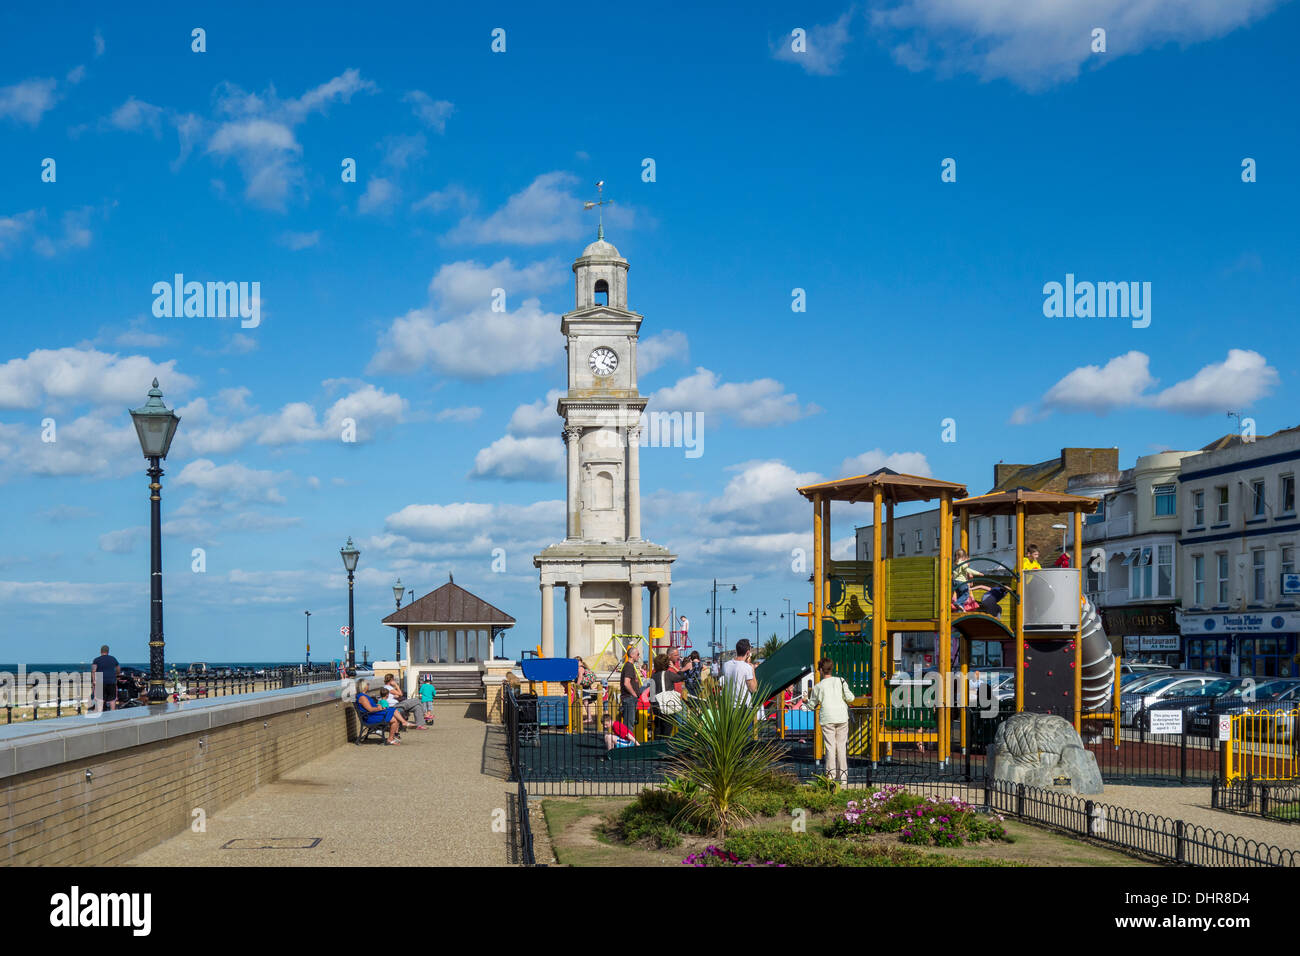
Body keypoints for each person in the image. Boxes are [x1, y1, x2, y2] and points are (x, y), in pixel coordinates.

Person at [804, 658, 855, 786]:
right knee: (841, 747)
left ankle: (830, 776)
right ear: (831, 668)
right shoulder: (841, 681)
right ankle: (843, 777)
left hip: (827, 718)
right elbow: (850, 698)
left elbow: (811, 706)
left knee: (830, 747)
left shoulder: (818, 686)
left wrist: (806, 701)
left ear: (821, 670)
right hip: (842, 716)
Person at [355, 679, 402, 744]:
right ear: (364, 686)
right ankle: (391, 738)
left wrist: (378, 705)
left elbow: (370, 707)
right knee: (394, 717)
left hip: (373, 715)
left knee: (394, 715)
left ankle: (391, 738)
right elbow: (370, 709)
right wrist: (379, 708)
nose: (368, 685)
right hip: (370, 718)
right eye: (367, 684)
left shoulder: (364, 696)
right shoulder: (362, 697)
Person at [720, 639, 758, 706]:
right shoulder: (747, 667)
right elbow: (753, 689)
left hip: (729, 706)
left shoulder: (726, 665)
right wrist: (752, 670)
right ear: (748, 653)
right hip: (743, 707)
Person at [620, 645, 643, 731]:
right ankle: (628, 743)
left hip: (629, 698)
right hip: (629, 698)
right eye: (638, 654)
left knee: (628, 723)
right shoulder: (629, 666)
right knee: (629, 725)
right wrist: (634, 695)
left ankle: (627, 741)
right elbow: (626, 683)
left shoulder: (629, 666)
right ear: (632, 655)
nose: (639, 656)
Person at [91, 645, 121, 712]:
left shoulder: (96, 660)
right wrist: (116, 674)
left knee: (100, 699)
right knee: (112, 699)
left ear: (100, 651)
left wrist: (94, 680)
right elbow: (118, 668)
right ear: (108, 651)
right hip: (111, 680)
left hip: (100, 679)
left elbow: (93, 671)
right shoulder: (113, 659)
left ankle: (100, 713)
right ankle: (113, 713)